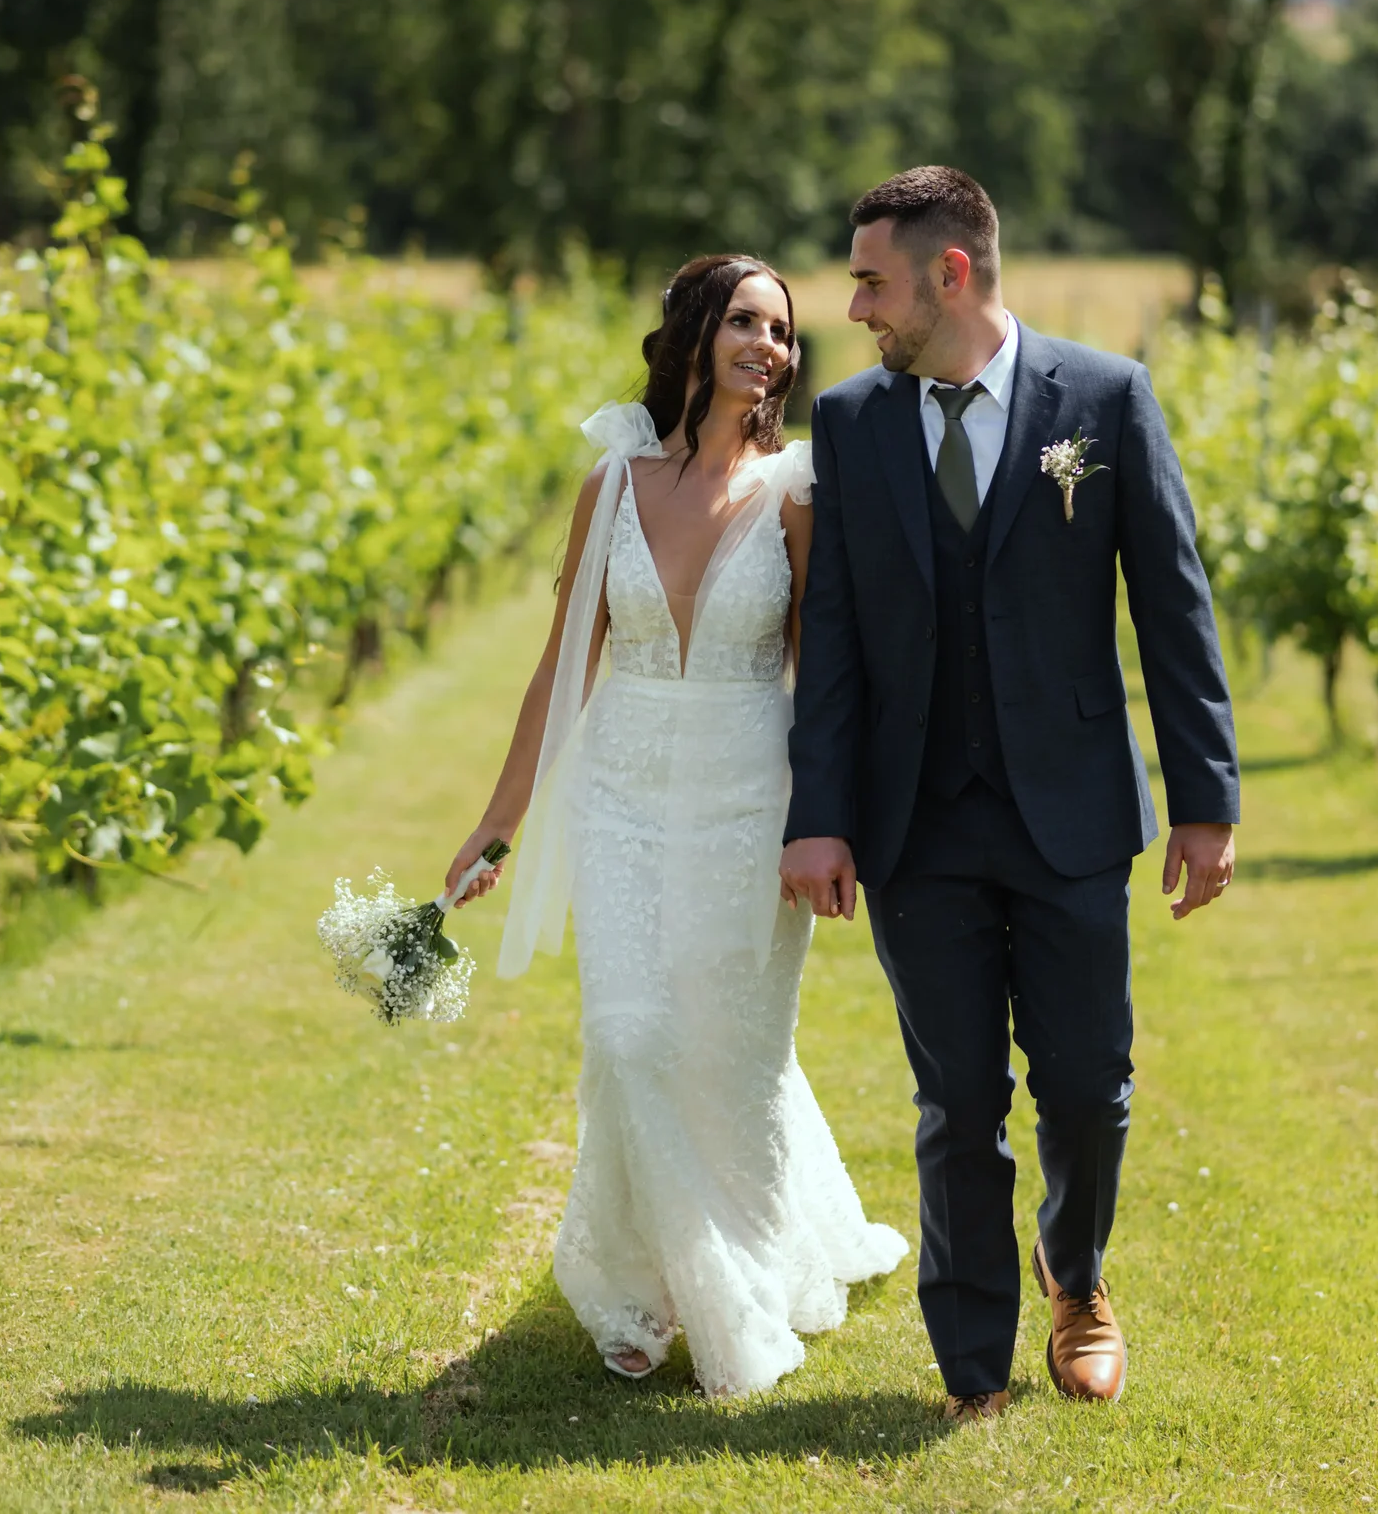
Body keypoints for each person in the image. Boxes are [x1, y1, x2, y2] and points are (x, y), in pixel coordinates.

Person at [779, 167, 1241, 1420]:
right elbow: (833, 640)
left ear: (952, 273)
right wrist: (815, 812)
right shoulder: (852, 421)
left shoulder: (1101, 398)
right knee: (957, 1100)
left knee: (1090, 1082)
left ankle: (1076, 1277)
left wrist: (1206, 798)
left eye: (872, 278)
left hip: (1071, 805)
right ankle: (972, 1356)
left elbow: (1172, 602)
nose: (855, 302)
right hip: (914, 818)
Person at [445, 255, 905, 1399]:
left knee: (731, 1056)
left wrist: (829, 823)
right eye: (748, 319)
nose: (770, 344)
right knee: (632, 1037)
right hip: (623, 800)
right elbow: (561, 670)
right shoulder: (610, 484)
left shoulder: (798, 492)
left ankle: (747, 1258)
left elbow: (823, 678)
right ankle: (645, 1291)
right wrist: (495, 830)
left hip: (751, 801)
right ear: (695, 333)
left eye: (784, 330)